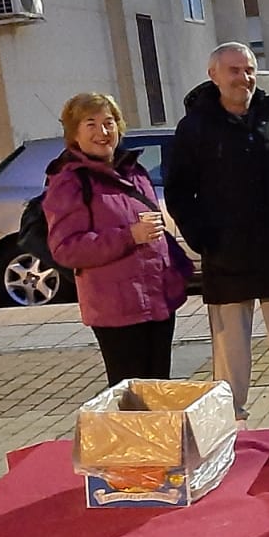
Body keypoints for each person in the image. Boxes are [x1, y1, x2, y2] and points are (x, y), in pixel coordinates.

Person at [165, 42, 269, 425]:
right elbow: (179, 190)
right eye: (234, 70)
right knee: (231, 352)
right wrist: (202, 238)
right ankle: (231, 424)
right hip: (225, 255)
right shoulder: (195, 126)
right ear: (213, 75)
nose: (243, 78)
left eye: (249, 70)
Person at [43, 92, 188, 385]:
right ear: (74, 134)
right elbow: (66, 249)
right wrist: (129, 236)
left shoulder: (134, 172)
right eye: (91, 124)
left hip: (156, 303)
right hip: (116, 310)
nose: (103, 132)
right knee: (130, 398)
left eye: (109, 123)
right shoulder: (71, 182)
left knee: (159, 391)